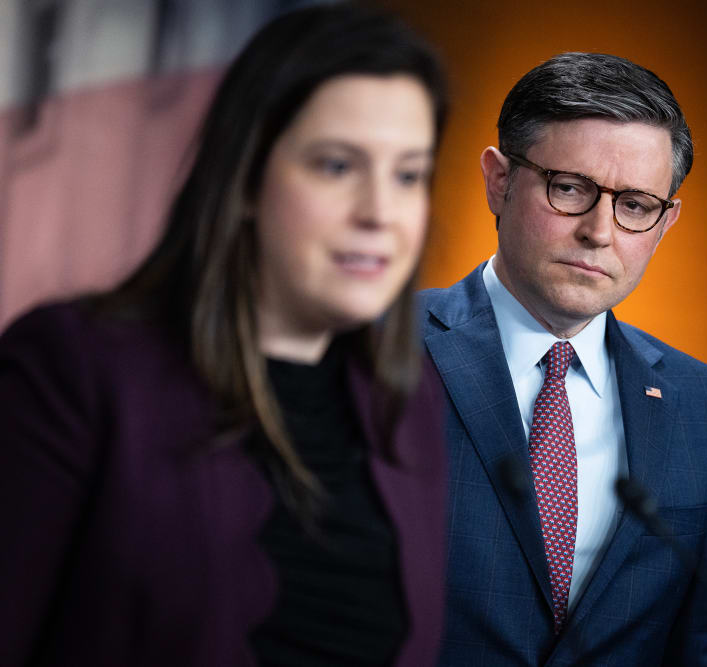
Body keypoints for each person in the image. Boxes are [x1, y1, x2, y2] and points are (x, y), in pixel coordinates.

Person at [0, 4, 448, 666]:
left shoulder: (409, 406)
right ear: (244, 177)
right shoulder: (72, 370)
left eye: (408, 174)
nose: (380, 212)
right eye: (335, 165)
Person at [420, 52, 707, 664]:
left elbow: (703, 646)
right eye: (570, 188)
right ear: (499, 180)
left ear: (665, 222)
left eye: (636, 205)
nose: (600, 230)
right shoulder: (375, 349)